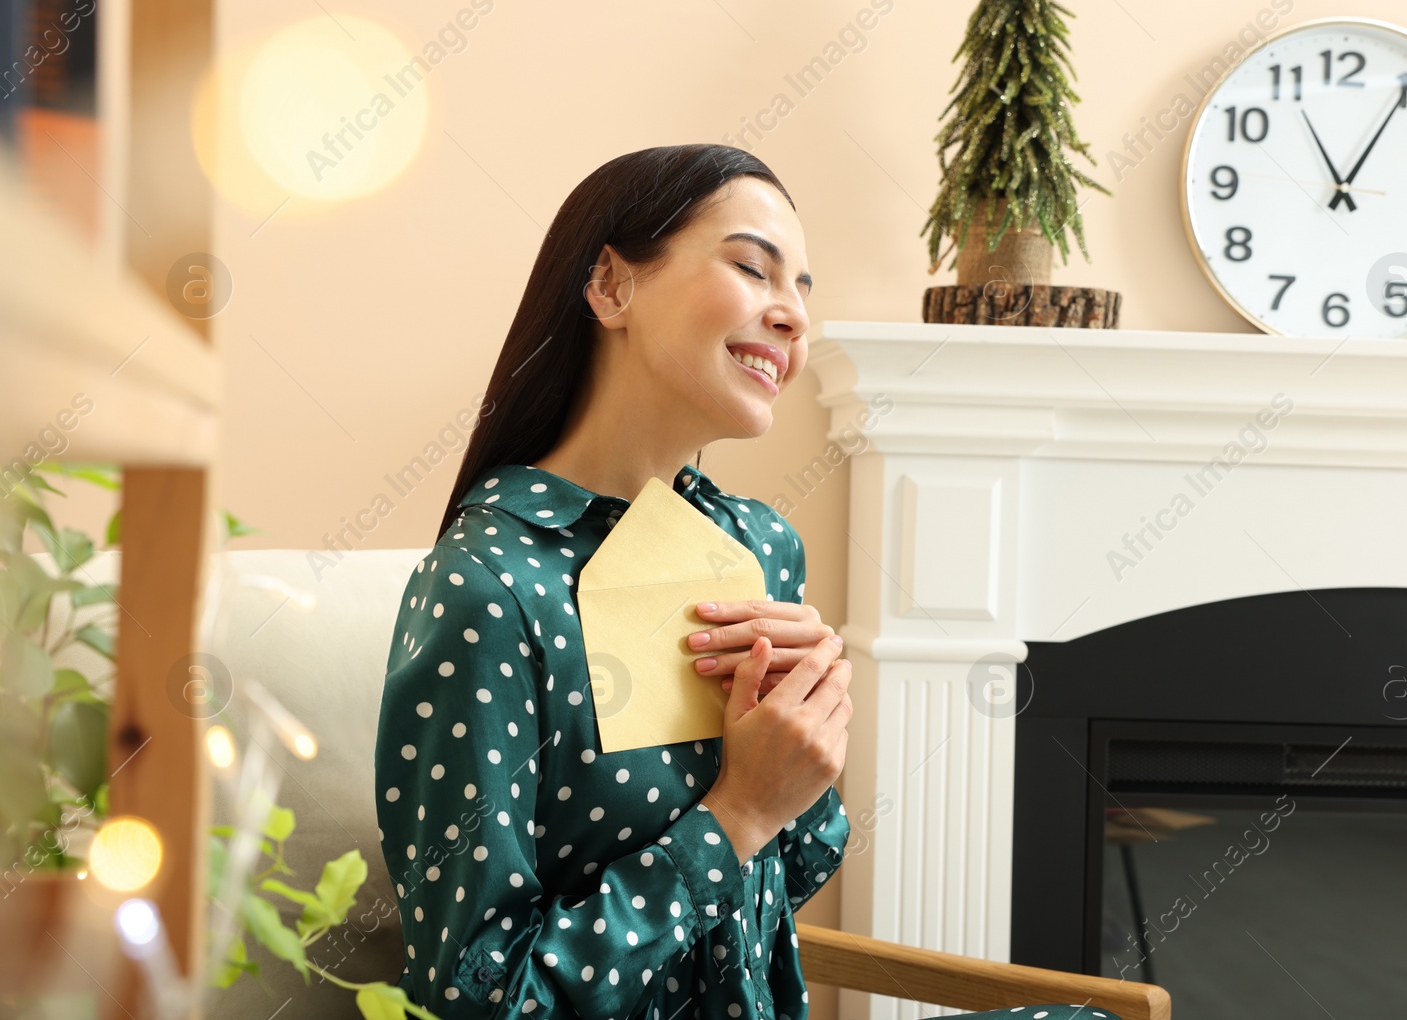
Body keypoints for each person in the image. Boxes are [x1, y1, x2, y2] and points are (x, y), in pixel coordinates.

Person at [373, 144, 1122, 1020]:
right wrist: (734, 813)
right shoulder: (490, 590)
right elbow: (477, 999)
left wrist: (806, 749)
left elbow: (791, 864)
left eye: (804, 288)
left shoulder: (757, 547)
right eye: (753, 268)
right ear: (611, 286)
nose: (795, 317)